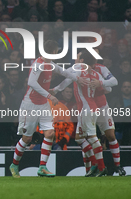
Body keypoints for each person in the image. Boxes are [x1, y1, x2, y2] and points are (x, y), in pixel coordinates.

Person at [10, 40, 83, 178]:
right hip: (30, 105)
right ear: (54, 52)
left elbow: (64, 72)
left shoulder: (50, 64)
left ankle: (42, 167)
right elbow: (32, 83)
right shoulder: (38, 65)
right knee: (27, 138)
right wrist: (50, 95)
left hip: (43, 104)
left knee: (50, 134)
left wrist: (77, 79)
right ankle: (14, 165)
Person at [51, 50, 112, 177]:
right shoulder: (96, 74)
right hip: (91, 107)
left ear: (82, 61)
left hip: (86, 108)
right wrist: (98, 86)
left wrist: (56, 90)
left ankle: (101, 167)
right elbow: (108, 88)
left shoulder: (79, 69)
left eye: (78, 58)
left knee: (91, 137)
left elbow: (67, 79)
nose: (76, 60)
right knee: (79, 138)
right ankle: (95, 164)